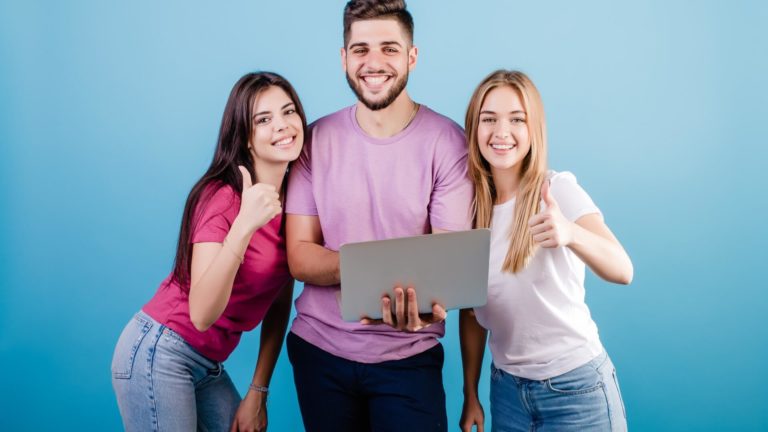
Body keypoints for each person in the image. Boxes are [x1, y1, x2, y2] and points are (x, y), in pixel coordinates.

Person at [284, 1, 473, 430]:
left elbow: (445, 267)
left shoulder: (448, 144)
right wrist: (386, 270)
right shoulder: (314, 139)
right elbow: (299, 256)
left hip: (409, 357)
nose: (373, 63)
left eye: (389, 48)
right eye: (360, 49)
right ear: (343, 57)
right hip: (319, 352)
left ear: (412, 56)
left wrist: (421, 305)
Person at [111, 71, 306, 432]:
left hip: (207, 364)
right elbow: (201, 314)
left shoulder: (294, 205)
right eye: (263, 119)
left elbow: (278, 301)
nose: (282, 126)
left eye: (288, 111)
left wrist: (258, 391)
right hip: (160, 351)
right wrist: (244, 225)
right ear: (245, 138)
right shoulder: (222, 197)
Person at [459, 70, 633, 432]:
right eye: (488, 119)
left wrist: (570, 233)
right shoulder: (469, 210)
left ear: (533, 129)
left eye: (516, 119)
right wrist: (470, 393)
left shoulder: (556, 190)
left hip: (576, 390)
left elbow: (623, 269)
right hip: (506, 394)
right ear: (474, 128)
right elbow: (474, 314)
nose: (501, 132)